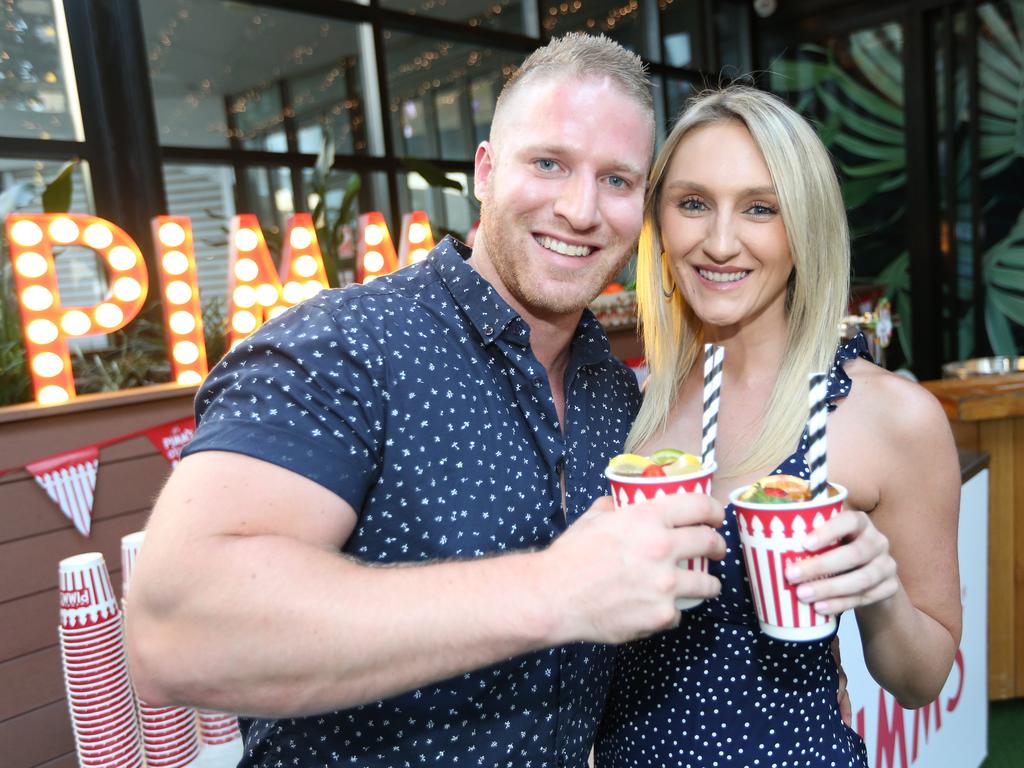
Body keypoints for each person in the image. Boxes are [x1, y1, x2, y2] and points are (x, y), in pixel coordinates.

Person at [126, 34, 728, 768]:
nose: (580, 209)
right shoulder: (342, 345)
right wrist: (552, 590)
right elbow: (172, 631)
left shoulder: (610, 386)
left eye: (617, 181)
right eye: (549, 164)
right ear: (484, 170)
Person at [594, 86, 963, 767]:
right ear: (661, 221)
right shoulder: (626, 406)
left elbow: (924, 678)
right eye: (693, 203)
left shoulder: (888, 416)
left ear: (805, 226)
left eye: (761, 208)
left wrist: (879, 590)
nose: (721, 241)